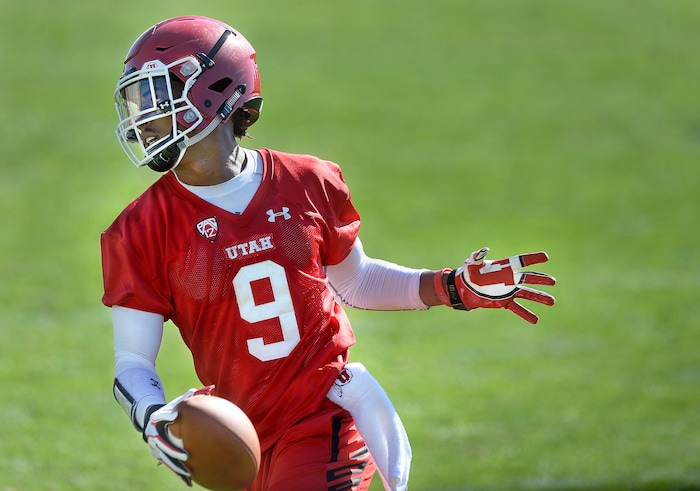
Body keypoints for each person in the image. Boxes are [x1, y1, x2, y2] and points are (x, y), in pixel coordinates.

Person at [101, 15, 556, 491]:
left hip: (324, 416)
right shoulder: (139, 229)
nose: (143, 117)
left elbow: (356, 281)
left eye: (156, 96)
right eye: (138, 100)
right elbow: (133, 361)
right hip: (240, 435)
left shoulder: (306, 182)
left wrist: (451, 287)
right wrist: (154, 416)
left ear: (214, 90)